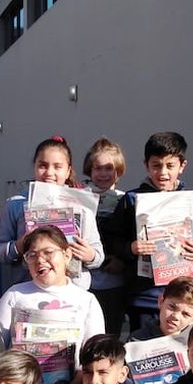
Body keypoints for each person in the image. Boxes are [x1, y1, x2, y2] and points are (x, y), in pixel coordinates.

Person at [0, 226, 106, 384]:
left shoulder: (86, 300)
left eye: (48, 253)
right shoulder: (14, 295)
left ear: (67, 255)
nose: (40, 260)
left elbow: (91, 360)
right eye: (32, 255)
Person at [104, 132, 193, 332]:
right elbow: (110, 239)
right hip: (144, 297)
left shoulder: (191, 202)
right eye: (156, 165)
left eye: (170, 165)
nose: (163, 172)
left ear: (182, 166)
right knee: (144, 345)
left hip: (183, 300)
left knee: (181, 348)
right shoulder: (131, 200)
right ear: (146, 165)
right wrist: (130, 248)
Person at [0, 136, 105, 291]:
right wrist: (18, 246)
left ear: (68, 171)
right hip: (29, 292)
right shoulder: (16, 205)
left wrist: (90, 255)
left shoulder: (81, 205)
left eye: (57, 167)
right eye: (43, 165)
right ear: (34, 167)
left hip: (72, 291)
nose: (49, 172)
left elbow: (99, 255)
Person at [82, 137, 129, 334]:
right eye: (98, 168)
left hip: (114, 283)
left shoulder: (126, 200)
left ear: (118, 171)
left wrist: (123, 261)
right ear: (89, 170)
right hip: (84, 281)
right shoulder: (79, 198)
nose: (103, 174)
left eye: (109, 168)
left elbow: (131, 239)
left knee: (110, 335)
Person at [128, 276, 193, 341]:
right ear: (161, 301)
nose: (175, 316)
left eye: (186, 314)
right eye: (172, 307)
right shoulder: (137, 339)